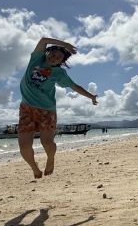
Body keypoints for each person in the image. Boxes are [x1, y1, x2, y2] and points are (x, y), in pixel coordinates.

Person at [18, 38, 97, 179]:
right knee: (24, 146)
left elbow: (74, 86)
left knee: (47, 142)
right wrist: (65, 45)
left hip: (46, 111)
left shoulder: (59, 73)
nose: (55, 57)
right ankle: (35, 168)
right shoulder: (36, 59)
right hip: (26, 109)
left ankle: (51, 159)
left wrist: (91, 96)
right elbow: (43, 40)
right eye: (53, 53)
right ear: (48, 52)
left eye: (59, 57)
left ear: (61, 62)